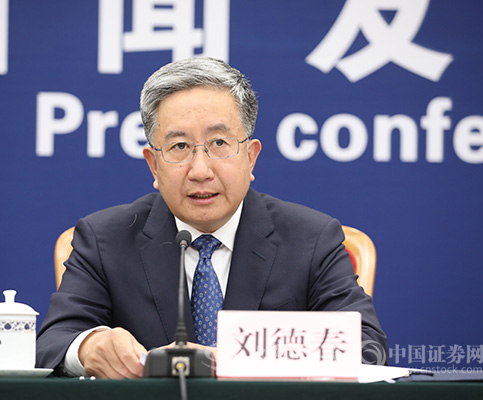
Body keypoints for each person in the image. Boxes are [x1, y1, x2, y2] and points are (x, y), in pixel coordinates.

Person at [36, 57, 387, 378]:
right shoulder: (105, 239)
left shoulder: (311, 238)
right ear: (153, 165)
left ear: (250, 157)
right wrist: (89, 346)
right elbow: (52, 342)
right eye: (179, 147)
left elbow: (367, 348)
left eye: (219, 143)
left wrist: (235, 360)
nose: (200, 170)